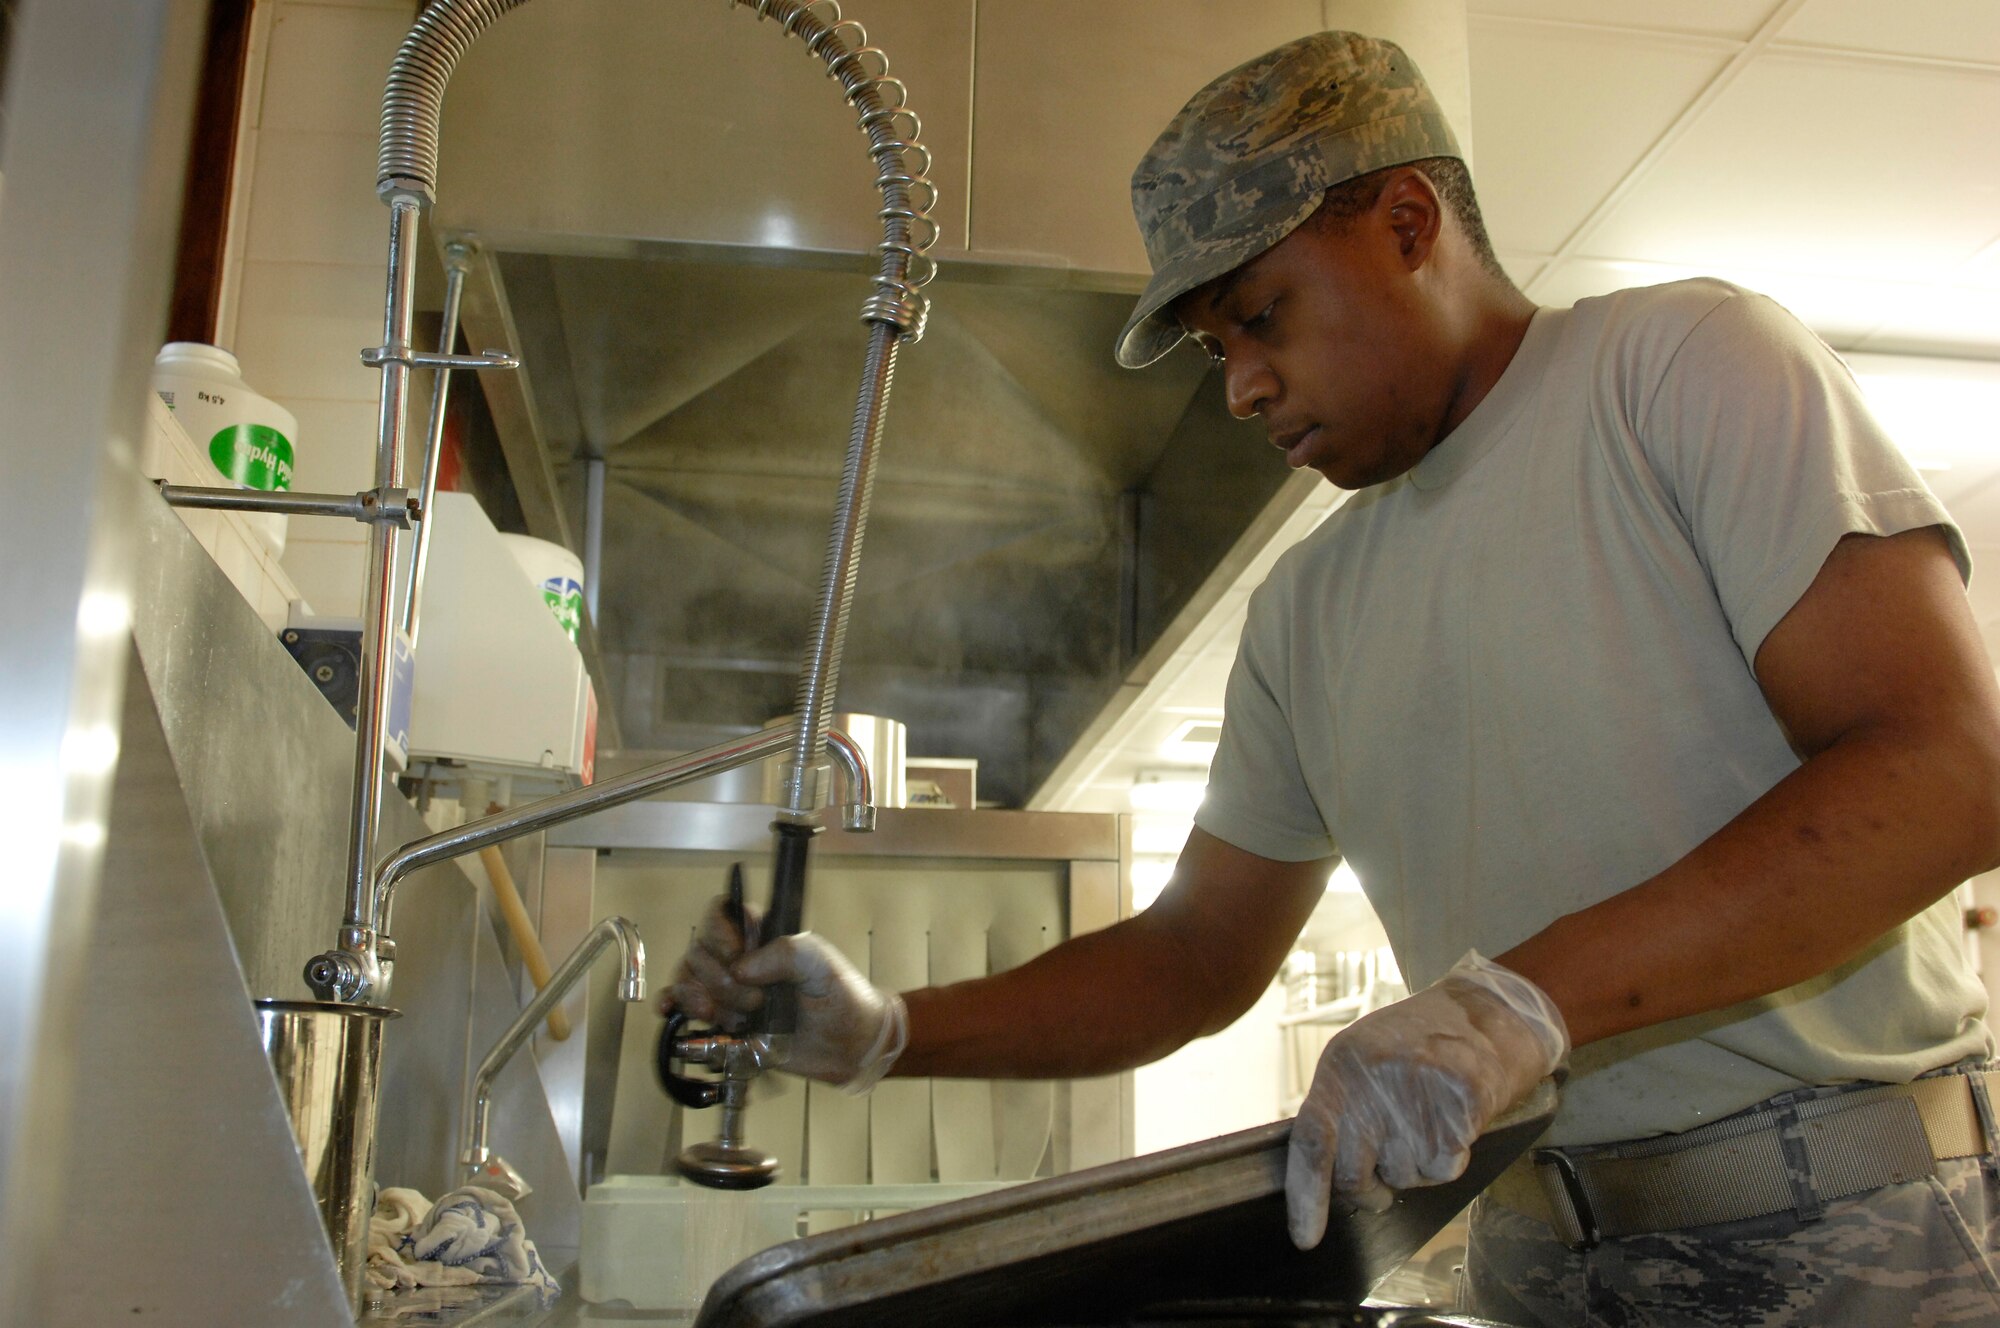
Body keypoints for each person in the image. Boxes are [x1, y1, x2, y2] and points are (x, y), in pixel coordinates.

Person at [664, 30, 2000, 1327]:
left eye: (1261, 317)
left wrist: (1516, 1005)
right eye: (1214, 350)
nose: (1242, 389)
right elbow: (1194, 956)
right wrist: (895, 1032)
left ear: (1409, 223)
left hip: (1855, 1231)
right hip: (1536, 1257)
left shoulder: (1681, 371)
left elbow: (1946, 769)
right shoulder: (1307, 612)